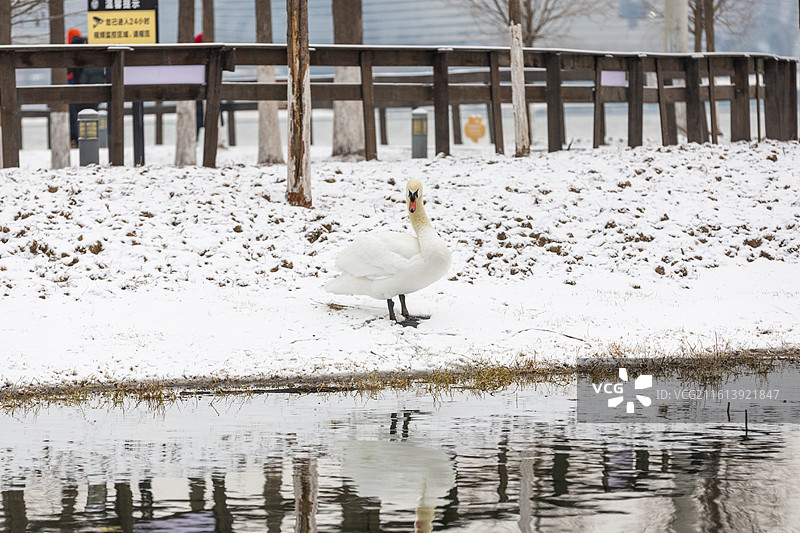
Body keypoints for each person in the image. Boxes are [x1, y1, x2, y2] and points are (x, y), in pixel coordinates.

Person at [68, 30, 107, 145]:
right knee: (92, 117)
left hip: (81, 92)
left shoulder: (78, 53)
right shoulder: (97, 53)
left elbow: (68, 70)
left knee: (75, 115)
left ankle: (76, 140)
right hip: (98, 93)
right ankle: (96, 141)